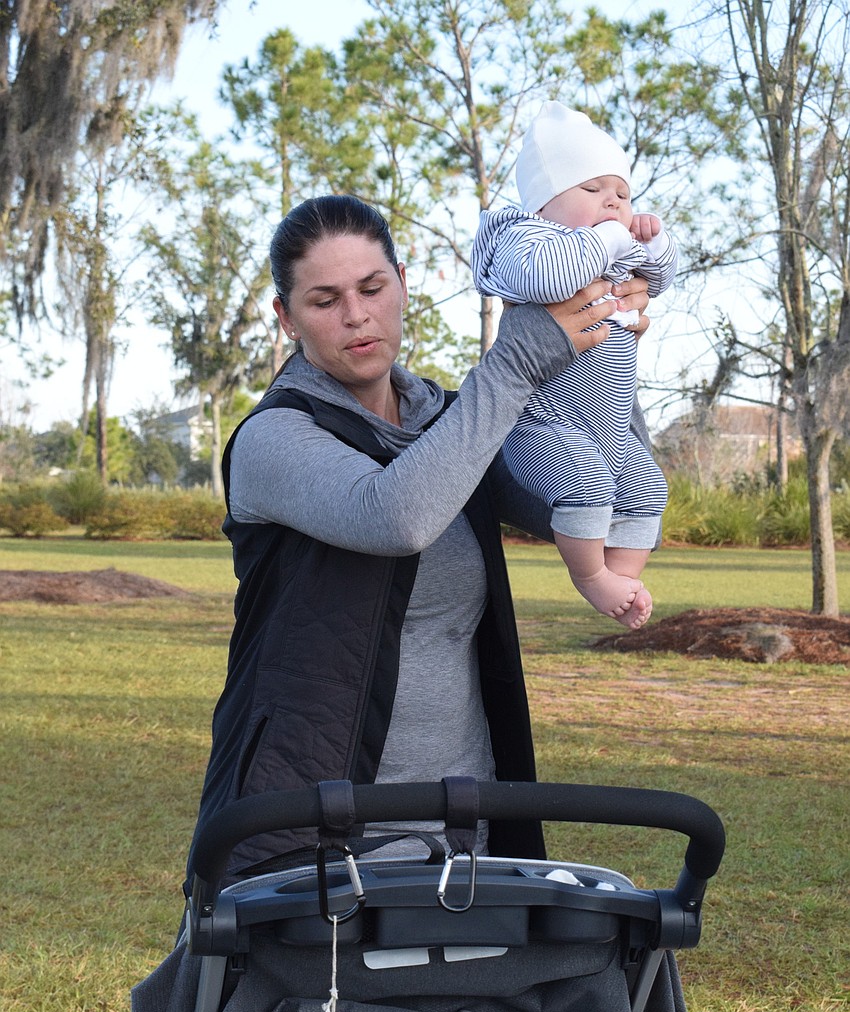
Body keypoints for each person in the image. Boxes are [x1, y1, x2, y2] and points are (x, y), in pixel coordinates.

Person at [184, 192, 651, 887]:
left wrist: (608, 357)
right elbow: (396, 515)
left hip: (461, 819)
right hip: (313, 831)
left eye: (373, 288)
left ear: (403, 284)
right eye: (324, 299)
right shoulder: (273, 438)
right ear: (287, 319)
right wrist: (515, 362)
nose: (356, 314)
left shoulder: (449, 418)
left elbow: (577, 494)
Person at [472, 102, 678, 630]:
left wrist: (654, 241)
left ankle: (623, 579)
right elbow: (549, 279)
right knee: (583, 479)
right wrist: (612, 236)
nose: (613, 201)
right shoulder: (530, 240)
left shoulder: (613, 248)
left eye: (622, 193)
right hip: (540, 424)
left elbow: (661, 277)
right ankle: (590, 577)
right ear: (545, 201)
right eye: (592, 190)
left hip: (608, 427)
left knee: (648, 486)